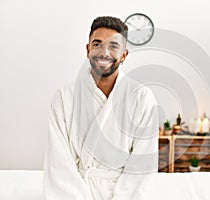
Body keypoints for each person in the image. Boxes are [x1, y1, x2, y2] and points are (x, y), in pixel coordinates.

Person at [44, 16, 159, 200]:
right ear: (88, 49)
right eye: (97, 44)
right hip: (75, 190)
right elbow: (58, 164)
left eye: (113, 46)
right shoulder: (64, 98)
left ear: (124, 55)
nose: (104, 52)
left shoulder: (141, 98)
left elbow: (142, 168)